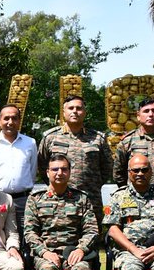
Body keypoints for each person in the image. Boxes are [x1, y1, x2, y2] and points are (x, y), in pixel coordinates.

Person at [24, 152, 99, 270]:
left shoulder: (81, 199)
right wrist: (44, 252)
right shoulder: (35, 199)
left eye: (64, 169)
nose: (59, 173)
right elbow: (30, 232)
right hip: (46, 253)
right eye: (55, 169)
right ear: (47, 172)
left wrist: (81, 249)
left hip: (73, 252)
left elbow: (91, 230)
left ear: (70, 172)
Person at [37, 94, 112, 223]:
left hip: (91, 200)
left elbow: (107, 167)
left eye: (79, 108)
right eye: (71, 108)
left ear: (85, 112)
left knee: (93, 233)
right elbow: (42, 166)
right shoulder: (50, 137)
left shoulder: (97, 138)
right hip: (60, 200)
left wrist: (91, 184)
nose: (75, 111)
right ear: (64, 112)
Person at [0, 104, 37, 229]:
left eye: (14, 118)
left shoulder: (30, 143)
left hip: (23, 200)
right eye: (6, 118)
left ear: (19, 121)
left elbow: (33, 170)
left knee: (25, 233)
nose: (10, 122)